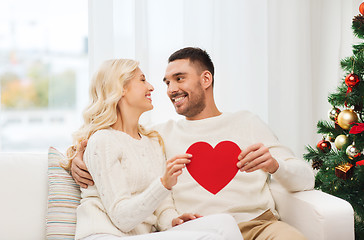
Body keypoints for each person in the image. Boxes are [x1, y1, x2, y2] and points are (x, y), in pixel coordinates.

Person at [71, 48, 315, 240]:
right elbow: (110, 143)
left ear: (205, 79)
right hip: (197, 232)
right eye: (167, 82)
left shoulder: (247, 122)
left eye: (179, 79)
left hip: (259, 226)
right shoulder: (157, 136)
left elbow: (306, 179)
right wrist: (76, 161)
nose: (170, 89)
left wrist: (275, 166)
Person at [65, 58, 243, 240]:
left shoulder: (152, 141)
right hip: (106, 235)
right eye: (142, 80)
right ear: (121, 88)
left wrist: (173, 221)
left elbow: (163, 207)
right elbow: (122, 219)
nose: (151, 87)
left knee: (225, 222)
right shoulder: (103, 141)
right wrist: (163, 184)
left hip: (140, 236)